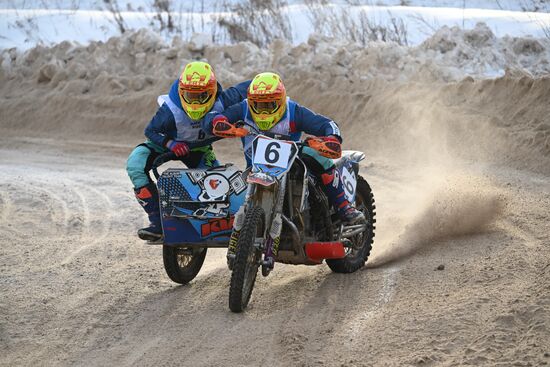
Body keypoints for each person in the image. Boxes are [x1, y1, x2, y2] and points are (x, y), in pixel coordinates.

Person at [204, 72, 364, 262]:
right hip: (256, 170)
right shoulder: (243, 109)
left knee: (320, 158)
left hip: (291, 165)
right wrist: (218, 123)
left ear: (279, 102)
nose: (262, 111)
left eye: (268, 105)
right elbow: (213, 116)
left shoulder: (293, 111)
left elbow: (327, 124)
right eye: (258, 105)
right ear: (250, 101)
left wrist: (332, 138)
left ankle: (344, 207)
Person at [126, 61, 250, 241]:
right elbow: (150, 131)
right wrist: (170, 143)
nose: (196, 101)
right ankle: (157, 223)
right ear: (182, 92)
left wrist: (268, 89)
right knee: (135, 164)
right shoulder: (170, 110)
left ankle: (221, 224)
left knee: (217, 183)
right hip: (164, 144)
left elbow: (246, 88)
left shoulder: (223, 101)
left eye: (202, 96)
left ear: (213, 92)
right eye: (191, 95)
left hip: (198, 148)